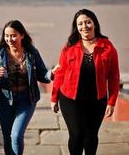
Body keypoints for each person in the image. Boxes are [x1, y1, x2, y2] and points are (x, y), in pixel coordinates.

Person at [51, 9, 120, 155]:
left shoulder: (107, 47)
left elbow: (114, 77)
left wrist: (111, 102)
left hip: (97, 100)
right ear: (76, 27)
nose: (84, 26)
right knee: (77, 136)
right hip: (70, 99)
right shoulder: (69, 47)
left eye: (88, 22)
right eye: (80, 24)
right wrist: (54, 98)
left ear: (94, 23)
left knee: (91, 137)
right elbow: (60, 74)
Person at [0, 20, 53, 155]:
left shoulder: (31, 52)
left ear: (22, 35)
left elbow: (42, 74)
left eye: (13, 35)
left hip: (26, 100)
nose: (9, 39)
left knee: (16, 136)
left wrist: (52, 74)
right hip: (5, 101)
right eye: (6, 36)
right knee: (7, 137)